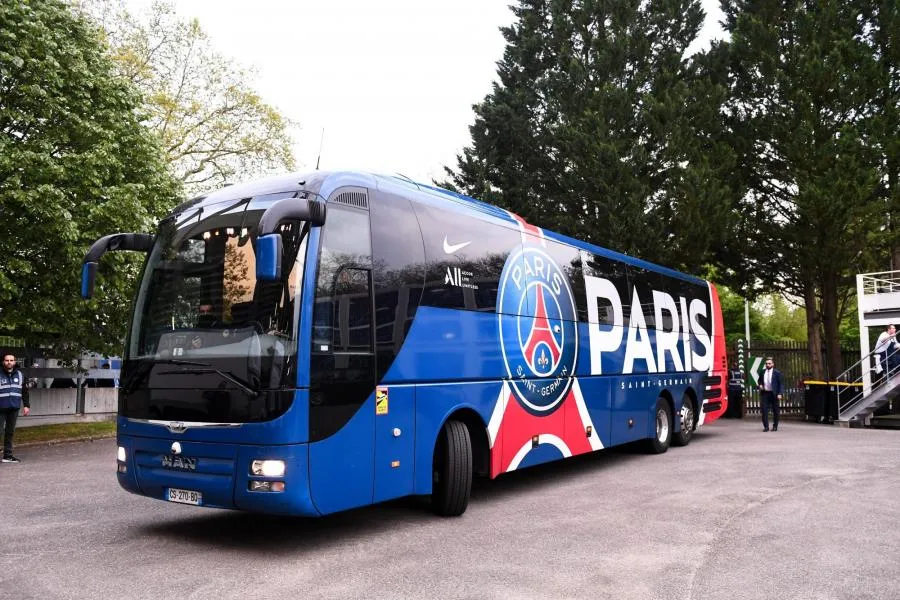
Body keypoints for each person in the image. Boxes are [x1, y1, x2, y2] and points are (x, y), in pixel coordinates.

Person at [1, 353, 31, 463]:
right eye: (7, 360)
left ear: (15, 362)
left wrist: (26, 405)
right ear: (3, 362)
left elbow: (25, 391)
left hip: (14, 407)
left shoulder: (20, 375)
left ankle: (7, 456)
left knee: (10, 432)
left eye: (11, 360)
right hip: (1, 407)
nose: (9, 362)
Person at [758, 356, 782, 432]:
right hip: (765, 393)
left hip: (774, 394)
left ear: (773, 364)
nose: (768, 365)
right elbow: (759, 381)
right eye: (766, 363)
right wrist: (760, 385)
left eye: (769, 363)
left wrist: (780, 393)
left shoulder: (777, 373)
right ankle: (766, 427)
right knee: (764, 410)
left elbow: (781, 384)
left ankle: (775, 426)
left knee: (775, 411)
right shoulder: (762, 372)